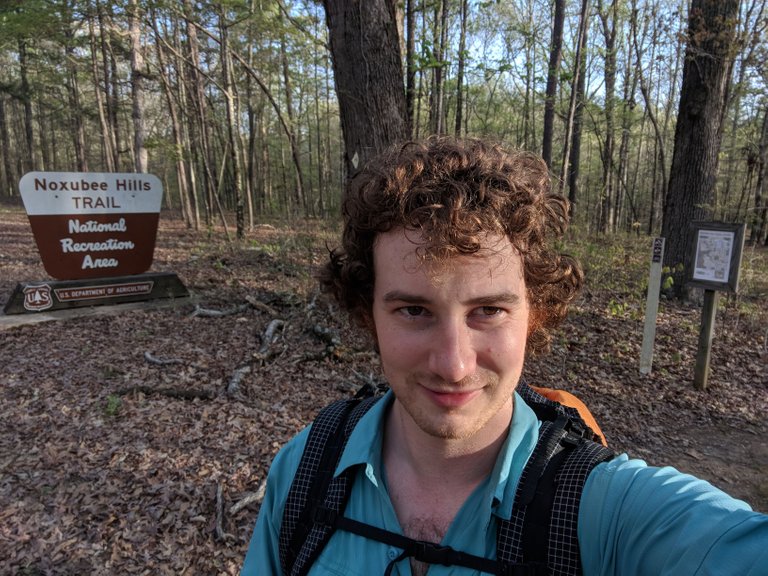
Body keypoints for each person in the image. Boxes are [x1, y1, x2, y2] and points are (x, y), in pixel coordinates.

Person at [241, 136, 767, 575]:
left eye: (488, 310)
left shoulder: (602, 510)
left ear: (534, 315)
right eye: (413, 311)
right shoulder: (306, 469)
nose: (454, 364)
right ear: (367, 314)